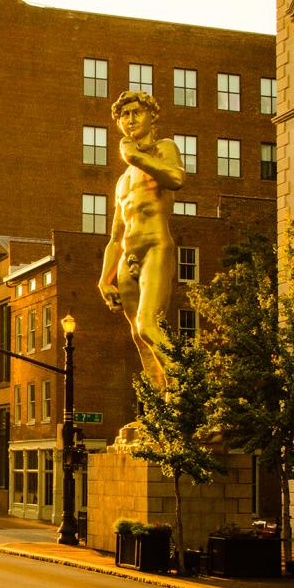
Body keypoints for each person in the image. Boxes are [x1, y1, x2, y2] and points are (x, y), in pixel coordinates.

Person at [97, 90, 186, 389]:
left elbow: (176, 178)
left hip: (155, 247)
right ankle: (160, 410)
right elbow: (114, 237)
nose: (130, 119)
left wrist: (136, 156)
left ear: (153, 116)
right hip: (126, 259)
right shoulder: (122, 180)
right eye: (124, 115)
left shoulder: (164, 148)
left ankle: (188, 393)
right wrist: (103, 278)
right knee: (138, 334)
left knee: (149, 324)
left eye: (137, 112)